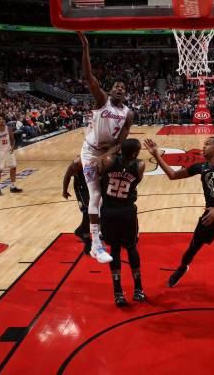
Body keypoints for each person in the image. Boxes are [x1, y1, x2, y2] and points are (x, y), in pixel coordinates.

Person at [144, 137, 214, 330]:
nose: (202, 147)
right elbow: (172, 175)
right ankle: (182, 267)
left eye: (206, 144)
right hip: (210, 213)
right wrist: (156, 155)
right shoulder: (200, 167)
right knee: (193, 247)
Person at [78, 31, 135, 264]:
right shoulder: (102, 100)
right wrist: (85, 46)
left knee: (112, 196)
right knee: (96, 195)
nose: (119, 88)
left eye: (123, 87)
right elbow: (88, 74)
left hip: (108, 154)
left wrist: (109, 155)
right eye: (116, 86)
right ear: (110, 90)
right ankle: (95, 245)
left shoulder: (128, 113)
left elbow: (121, 141)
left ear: (126, 93)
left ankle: (104, 231)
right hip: (90, 152)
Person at [98, 139, 146, 306]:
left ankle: (118, 293)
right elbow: (137, 180)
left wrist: (112, 148)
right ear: (135, 153)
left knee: (115, 250)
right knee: (131, 247)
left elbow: (99, 165)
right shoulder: (139, 165)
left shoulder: (109, 160)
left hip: (108, 212)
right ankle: (138, 290)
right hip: (127, 212)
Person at [62, 156, 91, 255]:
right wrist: (64, 191)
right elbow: (67, 175)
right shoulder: (77, 163)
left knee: (95, 211)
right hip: (82, 188)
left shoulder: (100, 157)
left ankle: (81, 230)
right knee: (88, 211)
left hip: (92, 185)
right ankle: (85, 236)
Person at [0, 116, 23, 196]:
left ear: (4, 120)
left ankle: (13, 186)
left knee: (13, 167)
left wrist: (12, 147)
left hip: (8, 152)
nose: (0, 120)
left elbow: (12, 140)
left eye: (2, 119)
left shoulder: (8, 129)